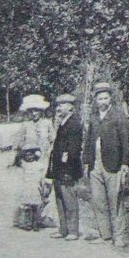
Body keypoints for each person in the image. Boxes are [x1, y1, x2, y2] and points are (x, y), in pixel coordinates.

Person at [83, 81, 129, 245]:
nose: (103, 102)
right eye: (100, 99)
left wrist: (125, 163)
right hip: (95, 164)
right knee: (98, 200)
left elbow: (126, 141)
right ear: (95, 101)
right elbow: (88, 140)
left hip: (113, 164)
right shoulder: (94, 117)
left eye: (105, 98)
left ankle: (118, 236)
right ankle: (105, 235)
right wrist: (86, 162)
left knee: (115, 201)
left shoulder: (118, 116)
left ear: (110, 99)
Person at [12, 94, 54, 232]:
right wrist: (23, 151)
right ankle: (28, 219)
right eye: (31, 111)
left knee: (44, 188)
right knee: (30, 189)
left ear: (41, 111)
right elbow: (18, 141)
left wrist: (50, 152)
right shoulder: (26, 125)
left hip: (44, 160)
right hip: (30, 162)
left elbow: (53, 140)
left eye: (37, 110)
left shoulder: (47, 123)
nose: (34, 113)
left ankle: (41, 217)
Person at [46, 93, 84, 241]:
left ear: (70, 107)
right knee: (60, 200)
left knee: (69, 200)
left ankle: (73, 231)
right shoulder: (62, 123)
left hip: (68, 169)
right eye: (58, 105)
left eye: (62, 105)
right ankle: (63, 229)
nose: (59, 108)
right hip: (58, 168)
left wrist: (67, 168)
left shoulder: (74, 124)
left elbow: (73, 150)